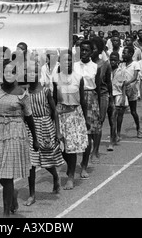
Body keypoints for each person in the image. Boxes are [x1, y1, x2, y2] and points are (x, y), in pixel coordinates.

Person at [0, 59, 38, 216]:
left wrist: (35, 139)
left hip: (15, 133)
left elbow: (29, 117)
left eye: (12, 72)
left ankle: (5, 213)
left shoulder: (22, 93)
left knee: (7, 175)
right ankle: (12, 195)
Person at [24, 63, 64, 206]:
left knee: (47, 159)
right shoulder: (25, 93)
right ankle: (32, 194)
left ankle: (55, 176)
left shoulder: (46, 91)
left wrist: (57, 131)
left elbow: (54, 111)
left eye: (33, 72)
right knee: (32, 163)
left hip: (46, 126)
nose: (31, 75)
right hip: (31, 128)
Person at [53, 50, 88, 190]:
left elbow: (82, 100)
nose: (66, 62)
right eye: (64, 60)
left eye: (69, 60)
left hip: (74, 115)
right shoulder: (55, 78)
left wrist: (85, 118)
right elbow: (54, 100)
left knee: (72, 149)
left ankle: (71, 176)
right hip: (60, 115)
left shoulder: (79, 77)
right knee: (61, 149)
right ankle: (69, 166)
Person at [74, 39, 101, 175]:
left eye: (87, 50)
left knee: (88, 134)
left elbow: (98, 88)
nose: (84, 52)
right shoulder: (73, 66)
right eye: (82, 50)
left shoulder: (95, 67)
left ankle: (84, 165)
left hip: (90, 99)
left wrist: (100, 110)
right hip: (75, 99)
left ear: (91, 52)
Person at [119, 46, 142, 138]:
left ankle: (138, 129)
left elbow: (135, 77)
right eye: (123, 52)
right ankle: (117, 133)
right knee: (120, 111)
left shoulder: (135, 64)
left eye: (125, 53)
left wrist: (127, 82)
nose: (123, 54)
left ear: (131, 54)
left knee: (133, 111)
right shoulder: (121, 64)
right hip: (122, 89)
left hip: (132, 89)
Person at [110, 51, 128, 144]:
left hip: (119, 94)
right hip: (110, 95)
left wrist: (124, 97)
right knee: (112, 117)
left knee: (118, 116)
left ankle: (118, 132)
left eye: (114, 60)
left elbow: (123, 85)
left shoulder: (121, 71)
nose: (112, 62)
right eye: (111, 60)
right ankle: (114, 135)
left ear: (118, 61)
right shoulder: (108, 70)